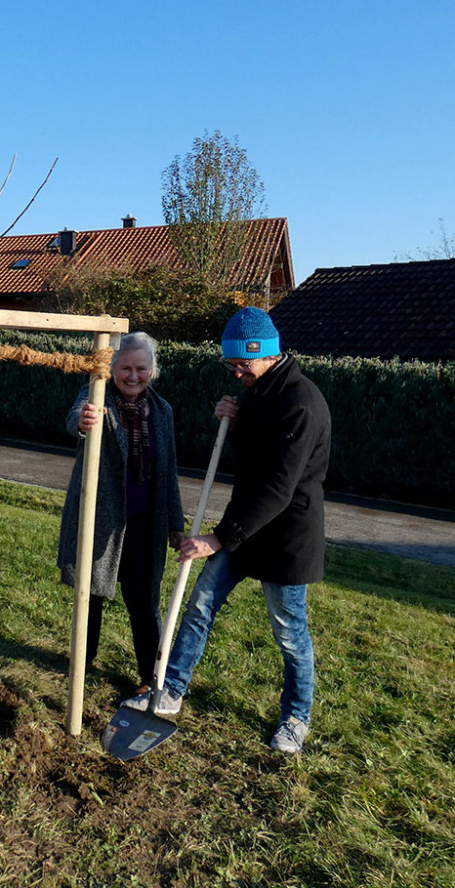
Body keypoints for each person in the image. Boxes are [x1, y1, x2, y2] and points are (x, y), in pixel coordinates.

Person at [124, 307, 330, 755]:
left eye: (243, 365)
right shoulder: (260, 392)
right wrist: (235, 422)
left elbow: (278, 487)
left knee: (289, 632)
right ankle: (171, 690)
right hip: (245, 530)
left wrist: (217, 539)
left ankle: (297, 715)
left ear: (268, 355)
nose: (237, 374)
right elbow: (256, 455)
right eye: (231, 366)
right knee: (200, 603)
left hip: (287, 537)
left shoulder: (301, 404)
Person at [57, 332, 184, 693]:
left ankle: (150, 676)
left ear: (152, 371)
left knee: (145, 601)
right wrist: (83, 421)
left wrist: (176, 524)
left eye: (141, 369)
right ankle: (82, 662)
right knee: (91, 594)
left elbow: (169, 470)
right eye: (125, 368)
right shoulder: (96, 397)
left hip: (146, 523)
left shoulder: (162, 412)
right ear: (112, 369)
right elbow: (75, 419)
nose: (132, 376)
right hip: (101, 519)